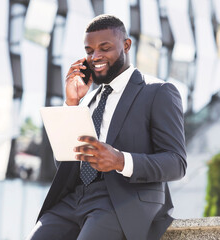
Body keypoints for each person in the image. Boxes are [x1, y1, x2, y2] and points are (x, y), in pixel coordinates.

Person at [26, 14, 187, 240]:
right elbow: (66, 164)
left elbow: (177, 163)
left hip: (122, 200)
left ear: (126, 45)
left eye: (105, 48)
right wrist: (72, 103)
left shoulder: (158, 92)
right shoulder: (88, 101)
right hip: (74, 200)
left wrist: (121, 160)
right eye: (89, 50)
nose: (95, 56)